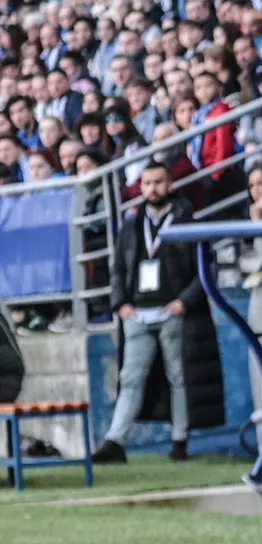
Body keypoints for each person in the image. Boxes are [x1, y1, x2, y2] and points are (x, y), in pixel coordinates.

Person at [96, 160, 199, 464]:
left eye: (158, 182)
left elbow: (205, 267)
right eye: (146, 183)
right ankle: (115, 441)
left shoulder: (185, 221)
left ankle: (180, 440)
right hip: (138, 313)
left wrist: (184, 301)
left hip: (172, 311)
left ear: (170, 185)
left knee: (178, 376)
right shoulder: (131, 224)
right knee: (130, 378)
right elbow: (118, 269)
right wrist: (121, 304)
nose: (152, 189)